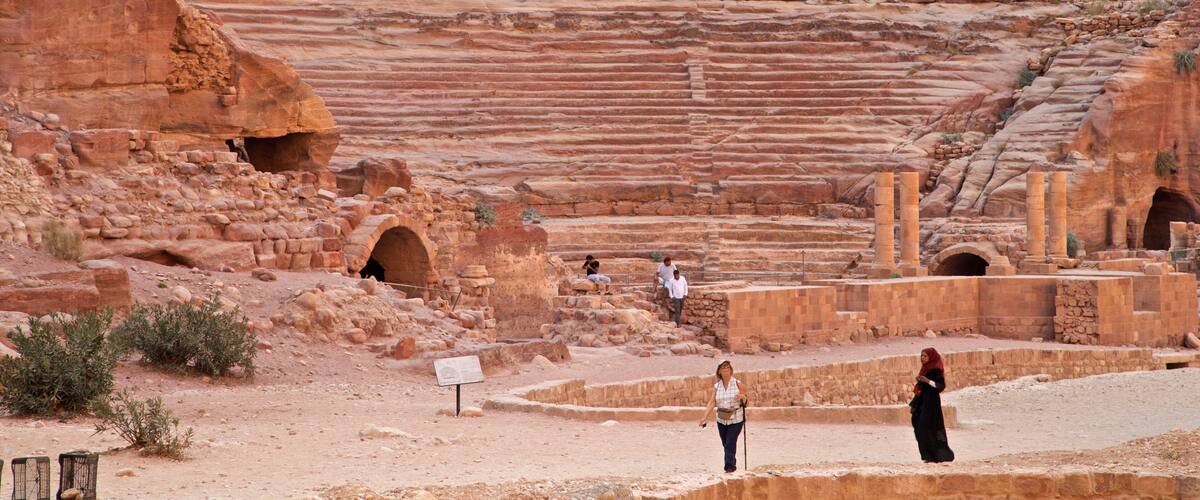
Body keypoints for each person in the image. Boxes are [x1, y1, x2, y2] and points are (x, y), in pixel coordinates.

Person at [699, 360, 748, 473]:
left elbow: (746, 399)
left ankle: (729, 467)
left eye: (727, 367)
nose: (726, 369)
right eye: (723, 367)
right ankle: (731, 463)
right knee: (725, 443)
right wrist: (704, 417)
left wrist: (741, 397)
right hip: (722, 419)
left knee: (730, 442)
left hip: (736, 419)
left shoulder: (738, 384)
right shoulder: (717, 386)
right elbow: (712, 402)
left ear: (731, 370)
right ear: (719, 371)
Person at [910, 347, 955, 463]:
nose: (922, 358)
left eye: (925, 356)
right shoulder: (924, 369)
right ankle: (928, 456)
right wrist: (919, 384)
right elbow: (919, 390)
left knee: (929, 427)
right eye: (921, 356)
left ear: (931, 357)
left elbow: (940, 385)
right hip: (922, 403)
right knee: (918, 426)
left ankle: (940, 456)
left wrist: (927, 381)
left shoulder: (935, 370)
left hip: (931, 404)